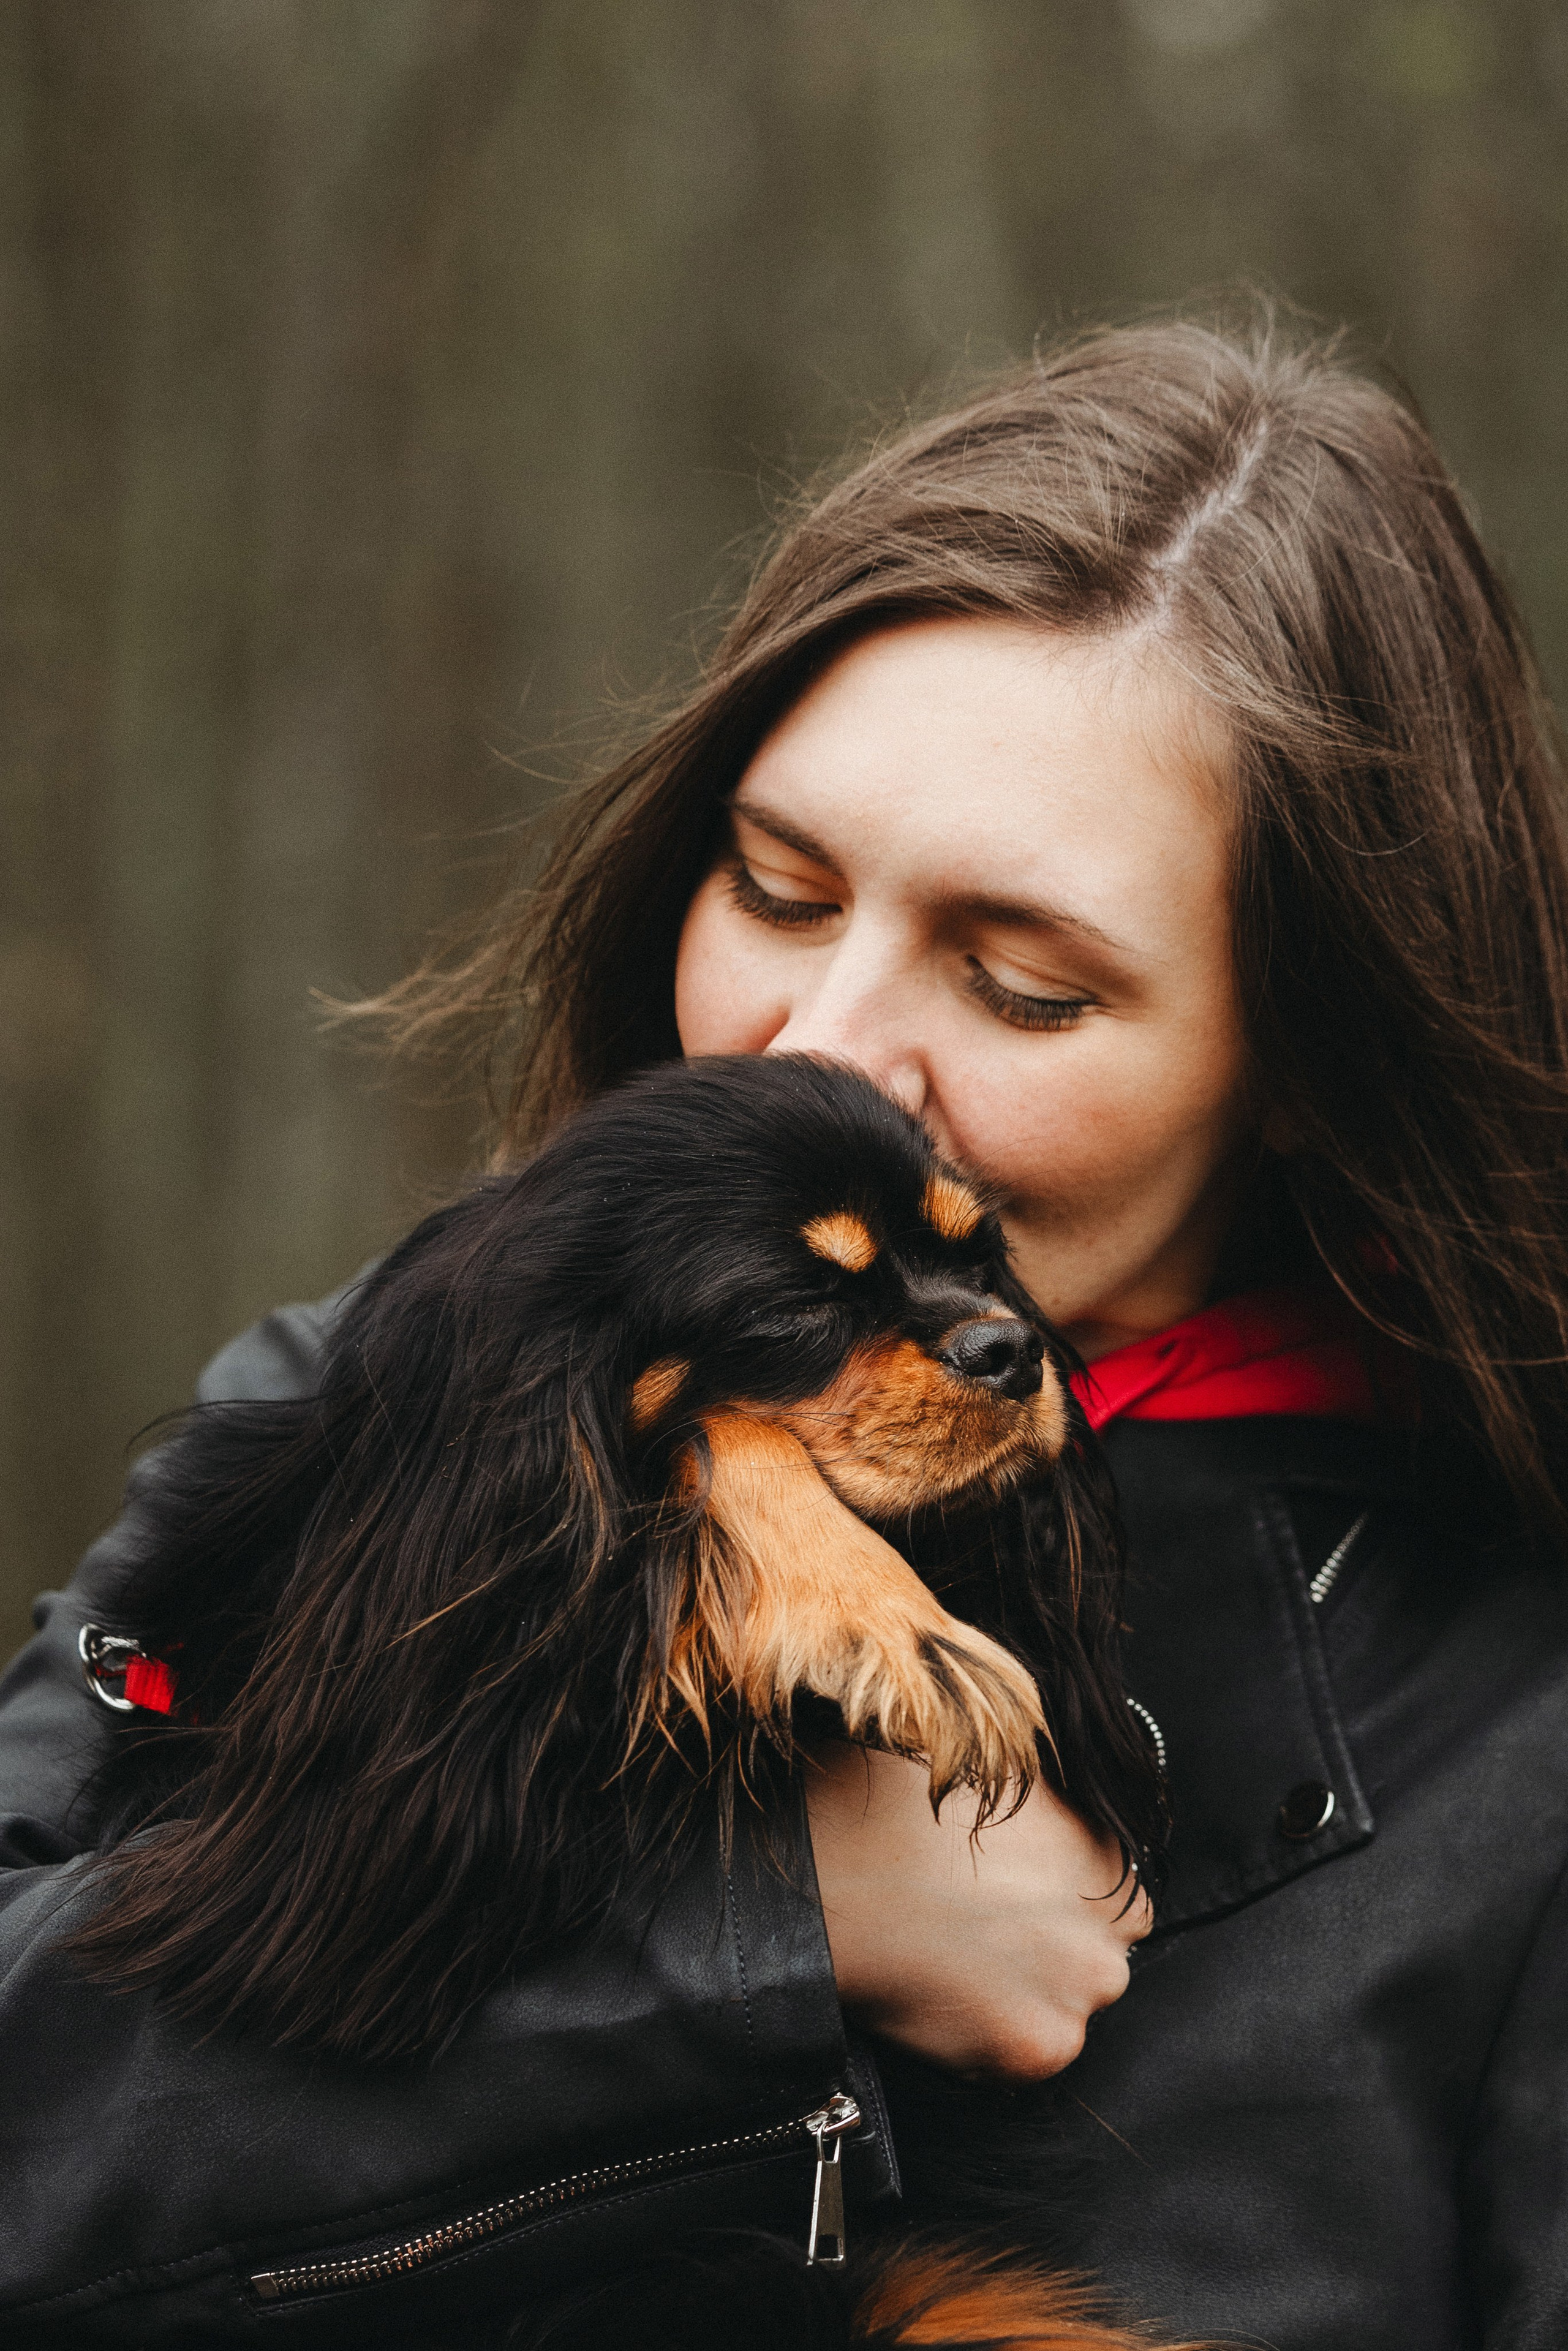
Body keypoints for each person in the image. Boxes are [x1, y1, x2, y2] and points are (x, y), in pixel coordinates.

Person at [2, 312, 1566, 2350]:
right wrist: (758, 1935)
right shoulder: (382, 1382)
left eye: (1023, 987)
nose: (818, 1043)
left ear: (1307, 1056)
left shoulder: (1507, 1693)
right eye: (777, 884)